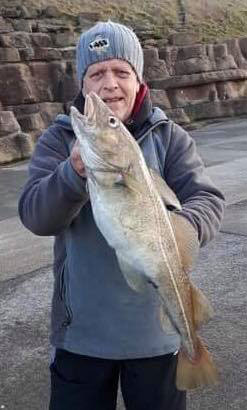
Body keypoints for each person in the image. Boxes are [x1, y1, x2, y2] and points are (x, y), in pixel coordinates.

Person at [18, 21, 225, 410]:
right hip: (81, 335)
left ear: (139, 80)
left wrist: (179, 228)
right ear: (82, 85)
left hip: (157, 338)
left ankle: (192, 351)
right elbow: (35, 216)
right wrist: (73, 172)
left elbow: (208, 200)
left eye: (121, 72)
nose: (109, 84)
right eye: (96, 73)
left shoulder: (170, 137)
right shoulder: (59, 141)